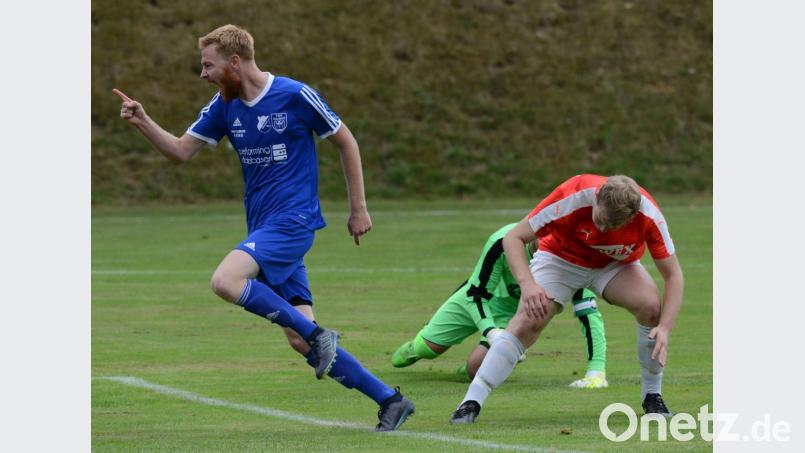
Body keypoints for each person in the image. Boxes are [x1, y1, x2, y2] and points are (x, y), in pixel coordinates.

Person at [113, 24, 414, 432]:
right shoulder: (223, 105)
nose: (203, 74)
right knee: (298, 338)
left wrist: (357, 208)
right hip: (264, 228)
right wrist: (144, 122)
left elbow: (346, 141)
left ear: (234, 62)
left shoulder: (294, 95)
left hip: (294, 221)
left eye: (208, 65)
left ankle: (321, 334)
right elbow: (181, 152)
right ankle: (390, 400)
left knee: (225, 280)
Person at [450, 174, 684, 424]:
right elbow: (513, 238)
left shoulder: (649, 216)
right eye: (599, 220)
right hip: (560, 259)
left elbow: (673, 275)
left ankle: (652, 396)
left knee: (651, 308)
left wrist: (665, 328)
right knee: (527, 322)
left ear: (633, 216)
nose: (602, 231)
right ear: (596, 199)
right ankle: (470, 403)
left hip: (613, 267)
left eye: (612, 226)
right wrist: (528, 285)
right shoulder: (571, 196)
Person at [391, 223, 608, 389]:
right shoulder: (504, 239)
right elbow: (475, 292)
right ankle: (417, 345)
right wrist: (489, 330)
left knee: (476, 369)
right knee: (427, 349)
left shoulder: (569, 259)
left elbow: (588, 313)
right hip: (475, 299)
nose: (547, 251)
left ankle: (470, 370)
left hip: (510, 315)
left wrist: (596, 371)